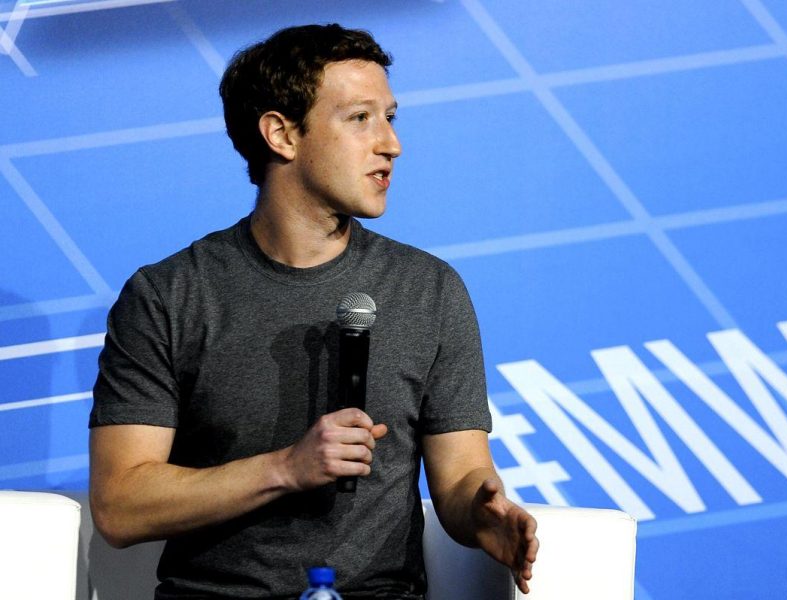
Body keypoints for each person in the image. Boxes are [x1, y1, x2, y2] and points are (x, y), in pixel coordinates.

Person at [89, 23, 538, 600]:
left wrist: (485, 515)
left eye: (391, 117)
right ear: (281, 134)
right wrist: (285, 468)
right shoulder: (169, 295)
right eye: (360, 119)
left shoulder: (429, 289)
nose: (390, 144)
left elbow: (460, 478)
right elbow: (120, 505)